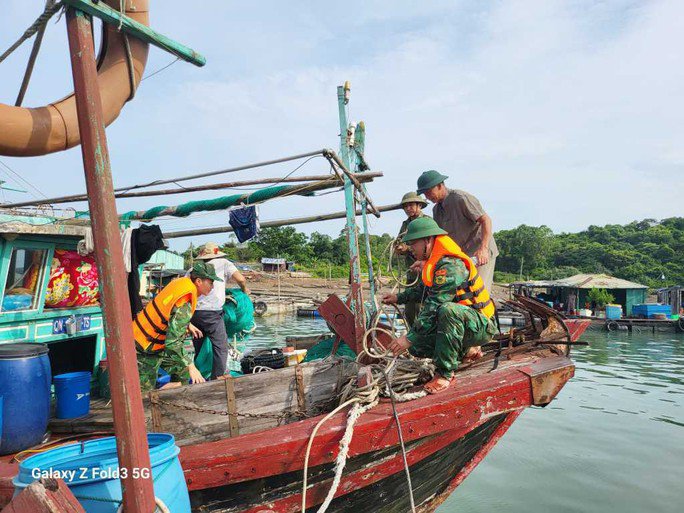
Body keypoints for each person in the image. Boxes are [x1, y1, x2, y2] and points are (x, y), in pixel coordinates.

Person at [382, 217, 498, 394]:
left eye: (414, 243)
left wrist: (408, 337)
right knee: (417, 347)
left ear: (428, 240)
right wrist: (398, 298)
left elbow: (435, 303)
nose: (411, 248)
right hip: (464, 324)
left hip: (481, 326)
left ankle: (445, 374)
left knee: (447, 310)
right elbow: (422, 290)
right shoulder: (435, 263)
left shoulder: (451, 265)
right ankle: (467, 350)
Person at [133, 262, 221, 392]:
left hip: (149, 341)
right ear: (198, 281)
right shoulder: (185, 301)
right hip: (145, 347)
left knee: (182, 374)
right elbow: (173, 343)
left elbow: (169, 310)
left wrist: (188, 324)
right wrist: (192, 366)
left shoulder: (180, 283)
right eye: (210, 282)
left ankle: (167, 393)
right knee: (144, 392)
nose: (212, 287)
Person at [416, 170, 498, 292]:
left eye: (428, 192)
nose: (427, 197)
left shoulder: (461, 198)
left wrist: (483, 249)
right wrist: (425, 260)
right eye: (424, 194)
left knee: (479, 292)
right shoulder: (436, 210)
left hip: (479, 252)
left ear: (440, 185)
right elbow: (439, 239)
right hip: (462, 256)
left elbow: (486, 220)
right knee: (461, 293)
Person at [190, 242, 250, 380]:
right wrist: (244, 289)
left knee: (199, 346)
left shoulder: (194, 269)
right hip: (212, 313)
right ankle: (218, 377)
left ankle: (199, 374)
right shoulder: (223, 262)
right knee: (221, 346)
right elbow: (241, 279)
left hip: (194, 314)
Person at [393, 192, 429, 327]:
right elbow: (399, 242)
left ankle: (422, 339)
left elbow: (428, 246)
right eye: (406, 206)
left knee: (421, 308)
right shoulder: (405, 224)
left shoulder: (427, 222)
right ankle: (413, 338)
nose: (408, 208)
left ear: (419, 205)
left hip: (425, 272)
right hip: (411, 272)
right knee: (409, 311)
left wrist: (407, 248)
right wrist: (399, 248)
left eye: (411, 205)